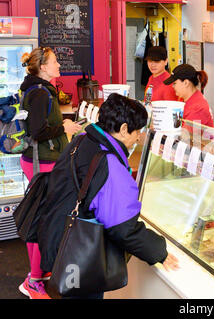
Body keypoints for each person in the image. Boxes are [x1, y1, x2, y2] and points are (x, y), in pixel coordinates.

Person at [37, 93, 179, 299]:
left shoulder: (82, 140)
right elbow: (123, 228)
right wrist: (159, 252)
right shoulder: (109, 164)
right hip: (79, 256)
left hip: (57, 237)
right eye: (137, 131)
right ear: (123, 130)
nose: (139, 137)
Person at [18, 47, 81, 299]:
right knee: (41, 222)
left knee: (42, 219)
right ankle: (34, 281)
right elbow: (37, 132)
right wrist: (64, 127)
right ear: (43, 67)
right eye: (55, 62)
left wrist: (64, 126)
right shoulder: (41, 93)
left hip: (43, 160)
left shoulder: (39, 90)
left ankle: (39, 273)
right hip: (40, 162)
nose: (59, 65)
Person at [163, 63, 214, 128]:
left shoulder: (198, 109)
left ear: (186, 83)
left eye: (174, 83)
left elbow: (193, 136)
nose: (172, 86)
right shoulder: (186, 99)